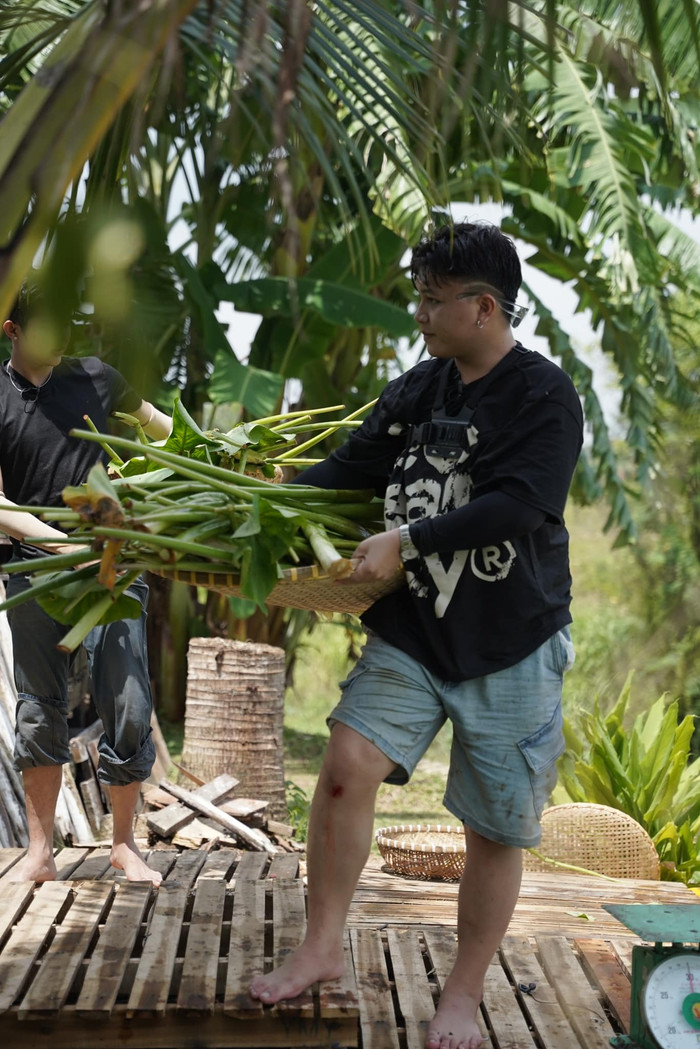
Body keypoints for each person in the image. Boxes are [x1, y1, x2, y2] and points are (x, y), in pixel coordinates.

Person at [249, 222, 584, 1049]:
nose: (421, 315)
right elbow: (355, 466)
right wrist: (267, 496)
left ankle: (463, 994)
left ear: (484, 306)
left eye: (434, 302)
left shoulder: (545, 396)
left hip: (512, 637)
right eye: (420, 298)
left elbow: (519, 505)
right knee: (341, 770)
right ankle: (322, 947)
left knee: (494, 828)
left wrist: (410, 541)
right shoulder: (419, 388)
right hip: (415, 630)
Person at [0, 284, 172, 885]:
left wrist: (218, 467)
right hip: (33, 570)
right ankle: (40, 852)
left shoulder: (99, 379)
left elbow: (164, 434)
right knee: (37, 707)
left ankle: (124, 846)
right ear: (11, 330)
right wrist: (58, 544)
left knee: (127, 698)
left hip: (111, 566)